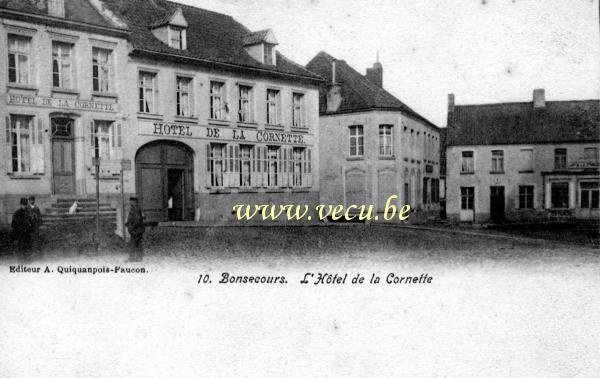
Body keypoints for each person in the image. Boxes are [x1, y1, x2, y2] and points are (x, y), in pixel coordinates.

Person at [125, 197, 145, 262]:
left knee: (133, 244)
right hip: (138, 229)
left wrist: (132, 227)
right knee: (138, 244)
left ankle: (132, 258)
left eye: (131, 201)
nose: (130, 202)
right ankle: (139, 258)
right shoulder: (137, 208)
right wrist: (128, 223)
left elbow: (137, 219)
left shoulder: (135, 209)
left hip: (136, 230)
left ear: (134, 202)